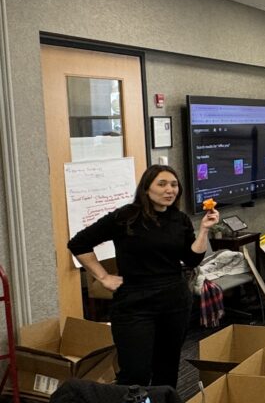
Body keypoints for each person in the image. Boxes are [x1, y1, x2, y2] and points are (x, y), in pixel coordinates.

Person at [67, 164, 218, 389]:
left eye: (174, 185)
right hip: (134, 303)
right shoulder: (125, 217)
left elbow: (192, 259)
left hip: (174, 300)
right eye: (162, 184)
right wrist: (103, 277)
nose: (170, 190)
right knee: (135, 372)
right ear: (146, 189)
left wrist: (205, 230)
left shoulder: (180, 219)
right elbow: (78, 243)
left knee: (166, 369)